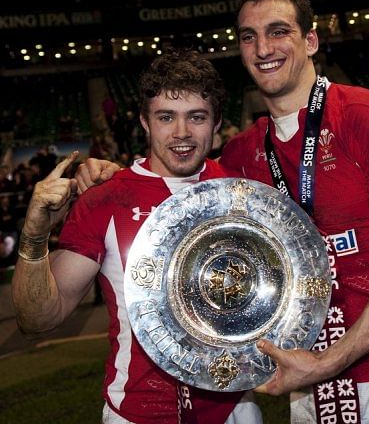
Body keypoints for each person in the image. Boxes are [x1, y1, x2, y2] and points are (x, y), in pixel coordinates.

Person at [75, 0, 369, 423]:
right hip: (307, 384)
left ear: (311, 40)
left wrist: (332, 360)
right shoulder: (243, 156)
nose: (263, 47)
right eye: (249, 36)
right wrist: (106, 173)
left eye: (278, 30)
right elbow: (171, 171)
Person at [12, 49, 262, 424]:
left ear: (216, 122)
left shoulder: (241, 194)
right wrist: (33, 237)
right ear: (145, 122)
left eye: (197, 117)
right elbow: (38, 320)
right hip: (138, 412)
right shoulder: (106, 198)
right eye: (166, 117)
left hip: (234, 409)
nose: (181, 133)